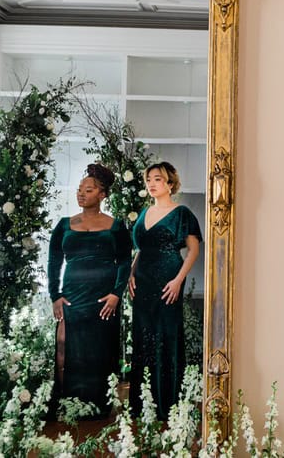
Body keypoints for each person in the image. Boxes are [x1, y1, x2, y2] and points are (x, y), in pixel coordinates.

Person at [48, 163, 132, 418]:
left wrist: (116, 294)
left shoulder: (115, 226)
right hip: (71, 297)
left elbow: (125, 262)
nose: (81, 194)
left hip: (104, 299)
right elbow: (54, 262)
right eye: (79, 189)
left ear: (102, 194)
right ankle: (66, 402)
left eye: (89, 190)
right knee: (64, 346)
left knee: (100, 350)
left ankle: (98, 406)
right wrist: (55, 295)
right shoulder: (64, 225)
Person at [128, 161, 202, 420]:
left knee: (166, 334)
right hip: (143, 281)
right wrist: (130, 273)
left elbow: (193, 250)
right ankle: (142, 404)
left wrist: (179, 280)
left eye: (157, 179)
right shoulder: (144, 212)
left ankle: (167, 402)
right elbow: (141, 250)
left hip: (168, 280)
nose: (151, 183)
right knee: (143, 336)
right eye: (148, 179)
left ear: (170, 183)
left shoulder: (182, 214)